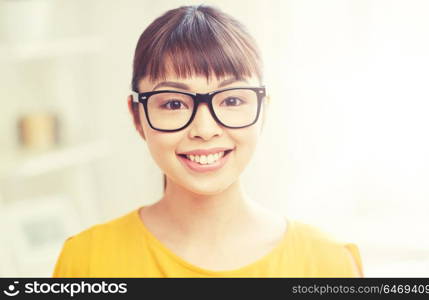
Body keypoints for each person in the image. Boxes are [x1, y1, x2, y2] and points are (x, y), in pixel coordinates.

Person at [52, 4, 363, 277]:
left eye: (231, 101)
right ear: (137, 116)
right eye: (174, 103)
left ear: (263, 111)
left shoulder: (329, 263)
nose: (204, 128)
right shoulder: (86, 262)